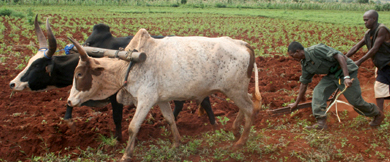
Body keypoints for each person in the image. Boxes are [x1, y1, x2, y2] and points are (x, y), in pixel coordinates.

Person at [287, 41, 384, 129]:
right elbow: (304, 83)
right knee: (318, 91)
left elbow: (340, 56)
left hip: (346, 71)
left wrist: (346, 77)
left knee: (355, 101)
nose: (293, 58)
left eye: (293, 55)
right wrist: (296, 103)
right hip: (332, 76)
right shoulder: (305, 64)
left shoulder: (316, 50)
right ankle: (321, 122)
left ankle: (377, 114)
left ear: (298, 51)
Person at [345, 10, 390, 116]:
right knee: (382, 87)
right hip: (383, 66)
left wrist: (359, 61)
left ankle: (379, 115)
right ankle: (380, 114)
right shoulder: (369, 34)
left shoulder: (381, 29)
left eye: (366, 20)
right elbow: (356, 47)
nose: (365, 22)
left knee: (379, 87)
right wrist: (344, 57)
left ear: (374, 19)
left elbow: (374, 49)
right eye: (364, 20)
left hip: (387, 65)